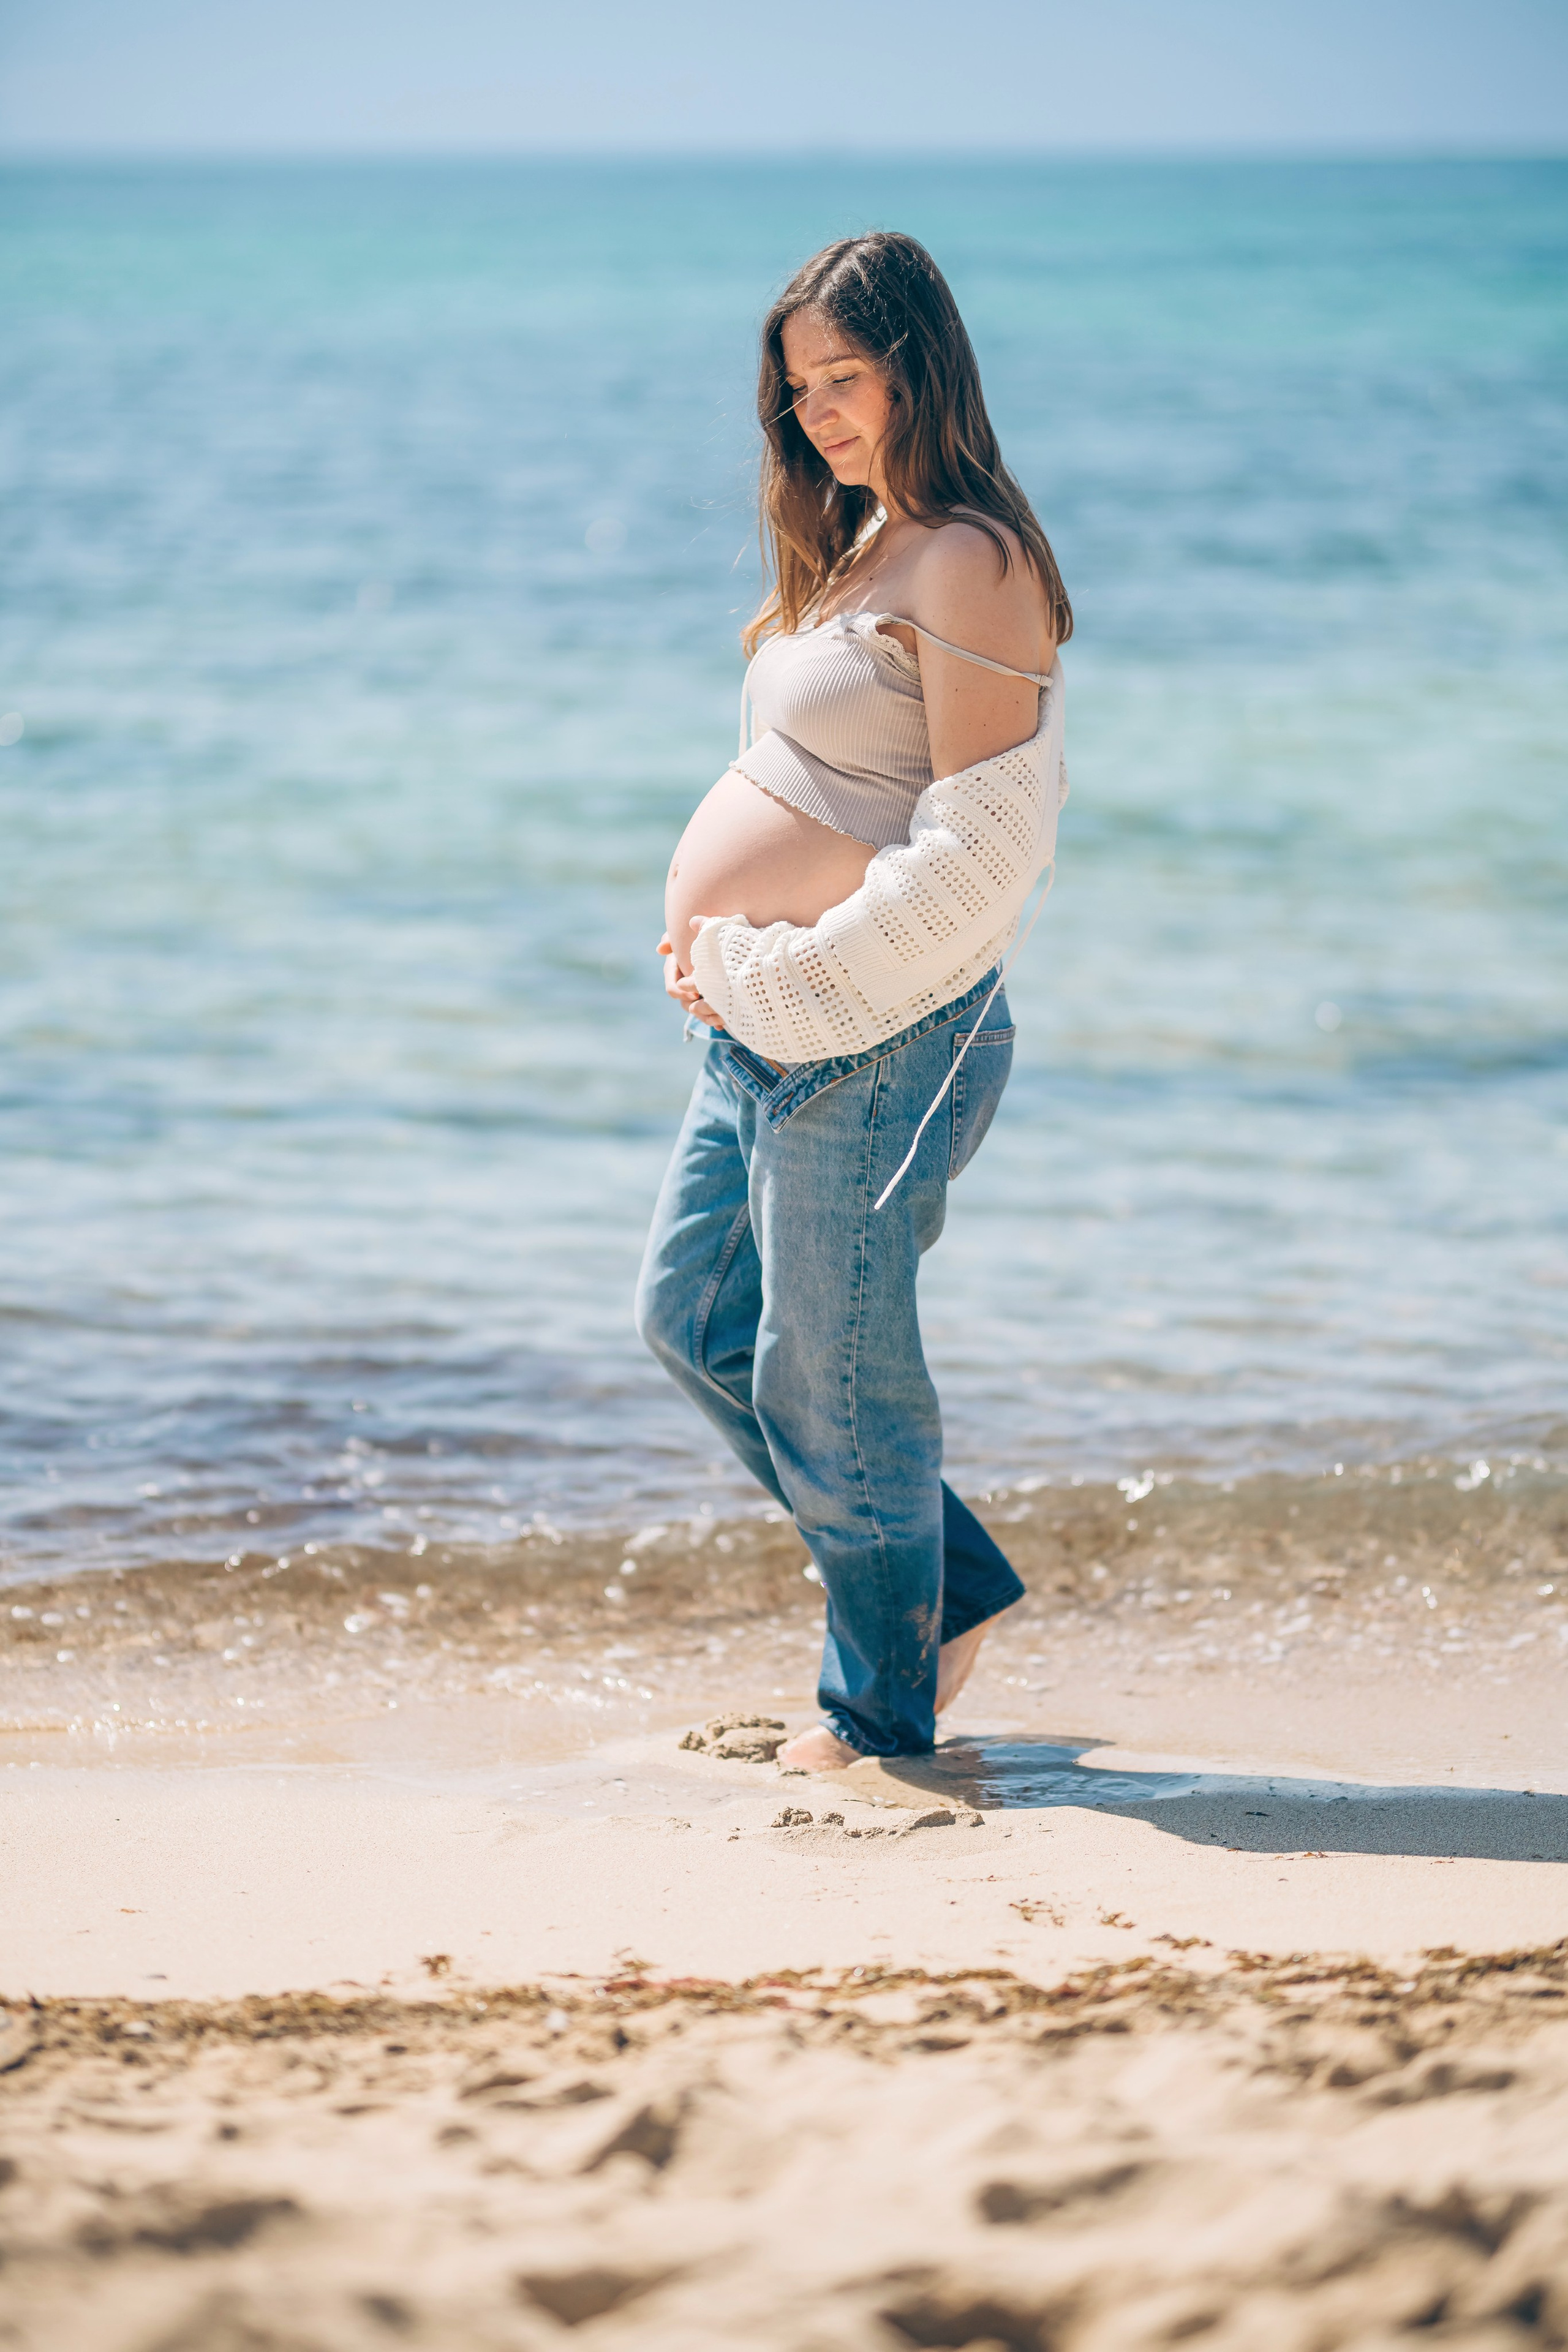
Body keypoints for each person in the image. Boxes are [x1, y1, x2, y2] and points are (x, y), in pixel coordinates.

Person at [635, 231, 1071, 1770]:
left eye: (845, 376)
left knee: (831, 1382)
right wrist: (736, 973)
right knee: (693, 1321)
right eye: (796, 389)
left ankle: (879, 1716)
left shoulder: (967, 557)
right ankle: (944, 1588)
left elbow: (983, 849)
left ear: (918, 366)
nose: (816, 411)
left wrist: (779, 971)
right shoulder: (862, 542)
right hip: (768, 1036)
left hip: (885, 1039)